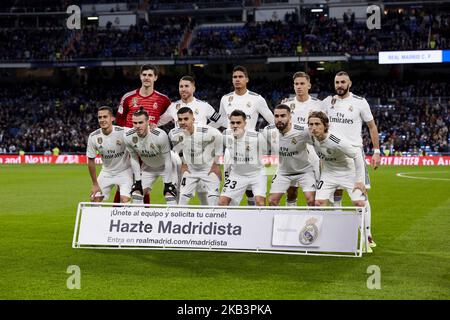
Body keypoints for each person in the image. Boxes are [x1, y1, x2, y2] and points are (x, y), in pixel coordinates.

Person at [322, 71, 380, 247]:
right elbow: (312, 116)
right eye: (337, 82)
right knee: (335, 194)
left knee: (361, 194)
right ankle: (339, 232)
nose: (339, 85)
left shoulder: (360, 102)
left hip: (354, 155)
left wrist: (376, 150)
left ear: (350, 83)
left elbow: (371, 126)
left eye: (343, 82)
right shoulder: (327, 102)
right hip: (331, 156)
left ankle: (367, 235)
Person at [158, 75, 226, 204]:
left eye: (186, 86)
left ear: (193, 88)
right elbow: (160, 121)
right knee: (180, 190)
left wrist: (206, 129)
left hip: (203, 156)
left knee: (204, 194)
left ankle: (208, 220)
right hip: (184, 156)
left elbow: (220, 121)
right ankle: (180, 219)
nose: (183, 89)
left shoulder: (204, 106)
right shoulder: (173, 106)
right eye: (181, 86)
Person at [115, 64, 171, 204]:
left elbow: (169, 117)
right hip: (130, 145)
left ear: (155, 77)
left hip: (150, 146)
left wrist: (157, 127)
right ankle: (116, 214)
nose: (147, 77)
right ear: (140, 76)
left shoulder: (163, 100)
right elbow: (120, 120)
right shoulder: (128, 97)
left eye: (150, 75)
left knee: (143, 183)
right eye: (144, 74)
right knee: (123, 182)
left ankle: (144, 215)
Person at [219, 65, 274, 206]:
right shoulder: (225, 99)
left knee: (252, 185)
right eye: (234, 77)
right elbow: (222, 121)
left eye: (240, 77)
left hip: (251, 146)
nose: (237, 79)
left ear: (247, 79)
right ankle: (232, 219)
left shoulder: (257, 99)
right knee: (229, 187)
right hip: (231, 149)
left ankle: (251, 208)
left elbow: (272, 120)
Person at [281, 71, 323, 206]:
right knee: (291, 190)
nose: (299, 87)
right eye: (296, 84)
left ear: (309, 85)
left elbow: (325, 128)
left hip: (313, 150)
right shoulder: (287, 105)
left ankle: (312, 222)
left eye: (302, 84)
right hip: (292, 151)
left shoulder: (319, 104)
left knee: (313, 192)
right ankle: (290, 218)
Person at [263, 104, 316, 206]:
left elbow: (319, 143)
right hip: (283, 171)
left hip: (305, 171)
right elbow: (264, 148)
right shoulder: (268, 131)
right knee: (271, 201)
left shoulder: (303, 130)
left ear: (290, 117)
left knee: (311, 200)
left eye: (283, 116)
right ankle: (283, 219)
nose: (279, 119)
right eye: (276, 116)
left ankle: (310, 221)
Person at [169, 107, 223, 205]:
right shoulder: (174, 134)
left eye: (186, 119)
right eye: (180, 119)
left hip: (208, 169)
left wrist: (216, 164)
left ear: (193, 120)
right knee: (182, 201)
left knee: (213, 200)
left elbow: (219, 138)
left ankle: (212, 220)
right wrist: (184, 163)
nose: (182, 122)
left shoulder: (206, 131)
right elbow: (179, 149)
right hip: (191, 169)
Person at [123, 108, 177, 205]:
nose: (137, 126)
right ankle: (139, 220)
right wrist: (138, 181)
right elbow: (134, 158)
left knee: (170, 195)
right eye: (135, 123)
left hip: (166, 165)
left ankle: (175, 219)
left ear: (148, 122)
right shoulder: (128, 136)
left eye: (140, 122)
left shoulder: (160, 135)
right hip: (148, 166)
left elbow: (168, 160)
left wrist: (168, 184)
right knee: (136, 194)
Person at [218, 110, 267, 207]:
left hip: (256, 174)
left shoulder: (256, 137)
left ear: (245, 123)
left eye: (238, 122)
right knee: (222, 203)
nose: (235, 125)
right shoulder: (225, 135)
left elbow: (265, 152)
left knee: (260, 203)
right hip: (237, 174)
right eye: (232, 123)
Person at [86, 106, 132, 203]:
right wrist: (95, 184)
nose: (102, 120)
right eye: (100, 117)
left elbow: (140, 131)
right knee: (94, 199)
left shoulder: (124, 131)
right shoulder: (93, 136)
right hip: (107, 172)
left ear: (112, 118)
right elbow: (90, 160)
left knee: (125, 201)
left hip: (124, 172)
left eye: (105, 117)